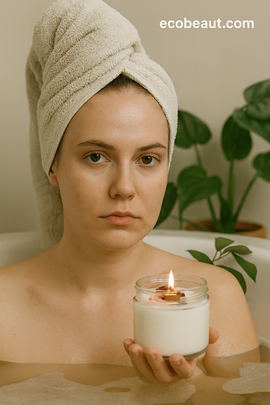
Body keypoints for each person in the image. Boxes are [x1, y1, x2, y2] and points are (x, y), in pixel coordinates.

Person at [0, 0, 259, 385]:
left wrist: (191, 387)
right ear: (53, 165)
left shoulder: (214, 298)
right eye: (96, 156)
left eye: (148, 160)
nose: (123, 188)